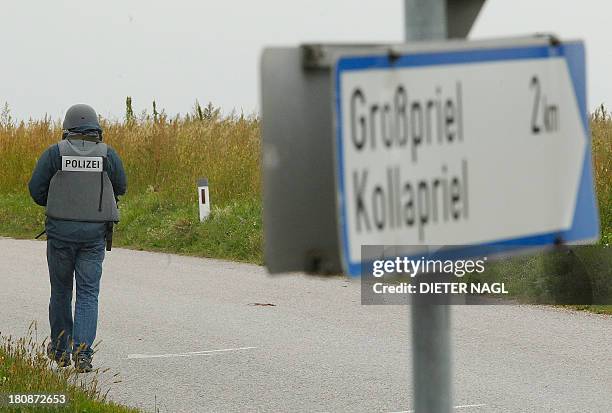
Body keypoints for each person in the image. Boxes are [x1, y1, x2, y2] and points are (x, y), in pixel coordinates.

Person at [28, 104, 126, 372]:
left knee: (60, 291)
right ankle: (83, 354)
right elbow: (122, 187)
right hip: (94, 237)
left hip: (60, 235)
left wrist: (59, 201)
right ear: (96, 128)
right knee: (88, 294)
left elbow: (36, 190)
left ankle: (60, 350)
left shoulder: (54, 154)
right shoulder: (108, 155)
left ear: (66, 128)